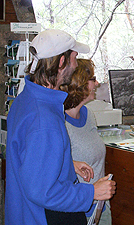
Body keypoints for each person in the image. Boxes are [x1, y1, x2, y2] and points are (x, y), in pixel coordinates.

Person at [5, 29, 116, 224]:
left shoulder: (25, 100)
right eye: (74, 58)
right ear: (62, 62)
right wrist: (91, 192)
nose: (75, 65)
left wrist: (67, 165)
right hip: (43, 216)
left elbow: (29, 160)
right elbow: (43, 192)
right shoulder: (44, 118)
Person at [60, 58, 112, 225]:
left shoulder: (88, 114)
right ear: (79, 83)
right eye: (93, 79)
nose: (97, 84)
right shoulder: (58, 121)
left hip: (100, 207)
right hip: (76, 211)